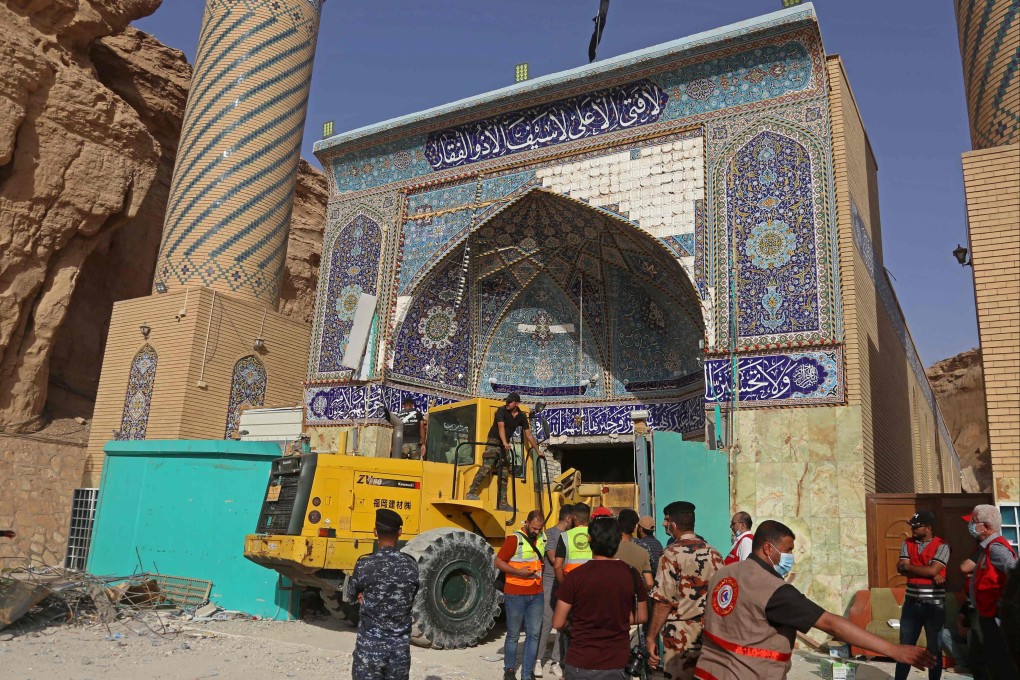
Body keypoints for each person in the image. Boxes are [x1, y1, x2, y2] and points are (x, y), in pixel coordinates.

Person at [695, 520, 936, 680]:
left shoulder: (723, 573)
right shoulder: (774, 590)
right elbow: (831, 623)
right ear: (768, 549)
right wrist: (894, 650)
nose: (790, 557)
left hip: (708, 672)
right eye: (788, 550)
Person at [553, 516, 649, 679]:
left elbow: (558, 622)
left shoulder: (574, 577)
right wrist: (617, 619)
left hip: (580, 662)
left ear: (590, 539)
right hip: (617, 662)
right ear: (618, 540)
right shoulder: (631, 574)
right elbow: (642, 616)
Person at [645, 501, 723, 680]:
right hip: (710, 635)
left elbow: (663, 602)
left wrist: (651, 638)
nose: (664, 524)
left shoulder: (670, 555)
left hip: (680, 638)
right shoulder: (714, 554)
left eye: (666, 520)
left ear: (673, 524)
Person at [348, 508, 420, 680]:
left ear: (375, 532)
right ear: (400, 532)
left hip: (369, 650)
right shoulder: (411, 565)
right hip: (399, 651)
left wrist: (362, 595)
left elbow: (350, 595)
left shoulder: (365, 565)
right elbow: (413, 597)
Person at [963, 504, 1019, 680]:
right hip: (985, 614)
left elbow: (1013, 573)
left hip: (995, 617)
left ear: (986, 527)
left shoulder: (997, 548)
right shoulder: (987, 548)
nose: (971, 526)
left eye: (974, 522)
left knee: (997, 664)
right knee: (980, 660)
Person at [893, 510, 950, 680]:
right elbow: (901, 567)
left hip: (934, 606)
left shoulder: (942, 546)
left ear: (927, 528)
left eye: (916, 527)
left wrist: (912, 568)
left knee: (934, 649)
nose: (913, 530)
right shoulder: (907, 543)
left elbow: (929, 569)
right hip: (911, 603)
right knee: (905, 647)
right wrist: (931, 573)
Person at [467, 392, 541, 511]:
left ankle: (502, 503)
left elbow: (529, 435)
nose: (507, 403)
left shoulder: (521, 416)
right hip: (494, 440)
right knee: (487, 466)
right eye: (506, 401)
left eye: (510, 402)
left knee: (504, 473)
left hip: (504, 444)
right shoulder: (501, 411)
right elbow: (501, 427)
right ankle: (471, 492)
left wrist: (538, 451)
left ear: (516, 403)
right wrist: (505, 443)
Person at [496, 510, 548, 680]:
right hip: (516, 594)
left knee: (533, 635)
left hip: (536, 594)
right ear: (526, 523)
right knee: (513, 634)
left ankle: (527, 673)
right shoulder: (514, 540)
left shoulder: (542, 538)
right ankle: (509, 670)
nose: (536, 532)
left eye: (539, 528)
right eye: (534, 528)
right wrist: (518, 572)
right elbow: (498, 561)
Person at [537, 504, 574, 678]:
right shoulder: (550, 534)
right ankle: (537, 660)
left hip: (565, 582)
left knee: (562, 624)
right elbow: (553, 558)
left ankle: (556, 661)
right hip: (551, 581)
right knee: (546, 622)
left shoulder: (571, 536)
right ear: (568, 519)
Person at [617, 509, 655, 589]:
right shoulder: (643, 547)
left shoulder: (608, 547)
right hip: (636, 596)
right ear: (635, 528)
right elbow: (649, 583)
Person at [555, 503, 592, 583]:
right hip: (591, 581)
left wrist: (564, 585)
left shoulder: (565, 536)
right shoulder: (595, 534)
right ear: (588, 517)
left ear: (574, 517)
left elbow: (557, 566)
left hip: (571, 581)